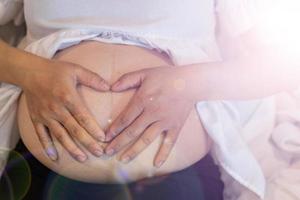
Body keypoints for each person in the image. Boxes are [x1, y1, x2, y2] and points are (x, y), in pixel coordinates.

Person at [1, 0, 300, 199]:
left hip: (181, 176)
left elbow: (285, 64)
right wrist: (32, 72)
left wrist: (190, 84)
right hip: (39, 168)